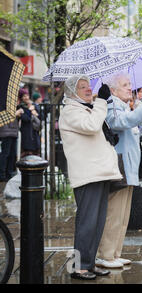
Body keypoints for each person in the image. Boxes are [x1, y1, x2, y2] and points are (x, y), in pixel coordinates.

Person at [59, 75, 123, 280]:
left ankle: (89, 263)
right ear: (71, 92)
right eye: (82, 87)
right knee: (86, 222)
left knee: (96, 223)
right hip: (87, 175)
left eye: (88, 86)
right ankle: (78, 267)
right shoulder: (70, 110)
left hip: (99, 172)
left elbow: (95, 129)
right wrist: (102, 101)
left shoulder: (85, 108)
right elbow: (90, 126)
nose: (88, 90)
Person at [94, 72, 142, 269]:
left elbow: (135, 127)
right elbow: (119, 122)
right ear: (113, 90)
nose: (129, 87)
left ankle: (115, 253)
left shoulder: (123, 105)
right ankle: (105, 254)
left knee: (123, 215)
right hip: (119, 166)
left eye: (129, 84)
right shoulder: (111, 105)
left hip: (127, 167)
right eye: (125, 85)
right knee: (114, 214)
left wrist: (140, 108)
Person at [0, 102, 22, 182]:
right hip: (6, 133)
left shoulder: (14, 108)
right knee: (5, 154)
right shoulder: (4, 107)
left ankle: (9, 174)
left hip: (13, 133)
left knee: (12, 154)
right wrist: (16, 113)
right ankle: (2, 175)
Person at [17, 88, 41, 157]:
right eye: (24, 96)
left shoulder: (34, 105)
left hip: (34, 132)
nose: (26, 97)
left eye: (27, 95)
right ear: (21, 97)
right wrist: (30, 111)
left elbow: (40, 116)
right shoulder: (20, 107)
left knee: (36, 153)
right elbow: (26, 119)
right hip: (26, 133)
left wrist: (34, 110)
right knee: (27, 153)